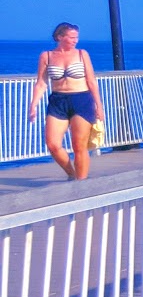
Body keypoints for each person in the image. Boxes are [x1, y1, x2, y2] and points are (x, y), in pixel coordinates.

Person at [28, 22, 103, 180]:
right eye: (72, 37)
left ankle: (81, 185)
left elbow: (91, 81)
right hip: (58, 101)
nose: (75, 40)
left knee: (79, 146)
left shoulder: (82, 54)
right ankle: (72, 173)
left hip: (81, 99)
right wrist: (33, 105)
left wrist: (99, 105)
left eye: (77, 37)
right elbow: (41, 83)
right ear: (60, 37)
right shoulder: (46, 56)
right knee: (53, 144)